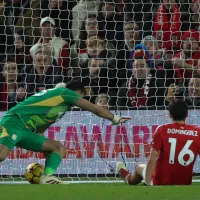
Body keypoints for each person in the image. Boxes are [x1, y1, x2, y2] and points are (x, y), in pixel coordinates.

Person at [0, 80, 130, 184]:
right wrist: (114, 118)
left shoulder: (59, 107)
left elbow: (40, 131)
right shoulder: (65, 93)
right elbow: (95, 109)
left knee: (58, 148)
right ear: (79, 92)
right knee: (1, 155)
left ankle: (46, 177)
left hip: (26, 131)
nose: (81, 99)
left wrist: (47, 151)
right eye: (82, 96)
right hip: (14, 122)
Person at [117, 99, 200, 185]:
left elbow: (152, 158)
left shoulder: (162, 130)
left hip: (160, 181)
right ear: (187, 114)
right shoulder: (198, 132)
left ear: (170, 115)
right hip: (185, 183)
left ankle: (127, 177)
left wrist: (147, 182)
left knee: (139, 167)